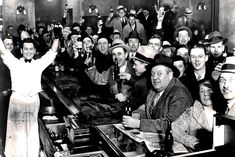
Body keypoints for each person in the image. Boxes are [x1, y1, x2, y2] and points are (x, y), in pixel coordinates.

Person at [0, 38, 59, 157]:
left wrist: (57, 37)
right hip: (17, 103)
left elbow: (52, 52)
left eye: (31, 49)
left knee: (32, 133)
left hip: (33, 102)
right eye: (25, 49)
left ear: (35, 51)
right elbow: (2, 50)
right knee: (16, 135)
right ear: (21, 50)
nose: (28, 51)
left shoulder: (38, 64)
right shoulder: (14, 62)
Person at [122, 54, 193, 133]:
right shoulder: (155, 88)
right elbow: (148, 106)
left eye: (159, 73)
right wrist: (138, 115)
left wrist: (139, 124)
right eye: (152, 74)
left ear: (170, 75)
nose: (155, 77)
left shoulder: (180, 94)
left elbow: (170, 125)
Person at [172, 80, 216, 151]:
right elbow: (174, 129)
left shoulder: (225, 110)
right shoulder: (191, 111)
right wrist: (194, 143)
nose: (205, 94)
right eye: (202, 91)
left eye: (209, 90)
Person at [120, 46, 156, 110]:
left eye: (136, 64)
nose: (133, 67)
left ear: (145, 66)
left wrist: (124, 98)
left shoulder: (140, 84)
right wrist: (131, 78)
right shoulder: (149, 78)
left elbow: (129, 106)